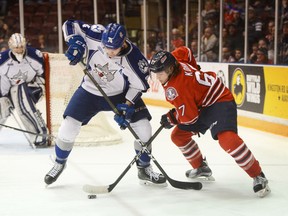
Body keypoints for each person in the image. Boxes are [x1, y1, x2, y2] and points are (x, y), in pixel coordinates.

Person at [44, 21, 167, 186]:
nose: (109, 51)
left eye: (113, 49)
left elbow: (140, 85)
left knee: (144, 128)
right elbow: (69, 24)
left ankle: (144, 168)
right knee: (68, 126)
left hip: (120, 95)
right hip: (89, 90)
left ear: (123, 43)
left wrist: (128, 104)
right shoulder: (96, 33)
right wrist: (75, 41)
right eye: (106, 46)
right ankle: (59, 163)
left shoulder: (136, 59)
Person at [149, 47, 271, 198]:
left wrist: (172, 117)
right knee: (178, 136)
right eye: (155, 73)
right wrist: (195, 68)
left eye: (160, 73)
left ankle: (258, 175)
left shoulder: (178, 87)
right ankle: (201, 167)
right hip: (201, 105)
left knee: (228, 140)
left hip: (219, 100)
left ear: (171, 68)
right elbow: (185, 50)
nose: (157, 77)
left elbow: (190, 118)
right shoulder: (174, 59)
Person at [0, 33, 48, 147]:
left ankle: (39, 134)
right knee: (2, 109)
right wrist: (3, 96)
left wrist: (41, 87)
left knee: (20, 95)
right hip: (12, 89)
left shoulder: (34, 55)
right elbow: (3, 80)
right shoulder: (3, 60)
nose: (19, 50)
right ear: (11, 46)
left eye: (21, 46)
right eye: (16, 47)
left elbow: (42, 75)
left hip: (33, 87)